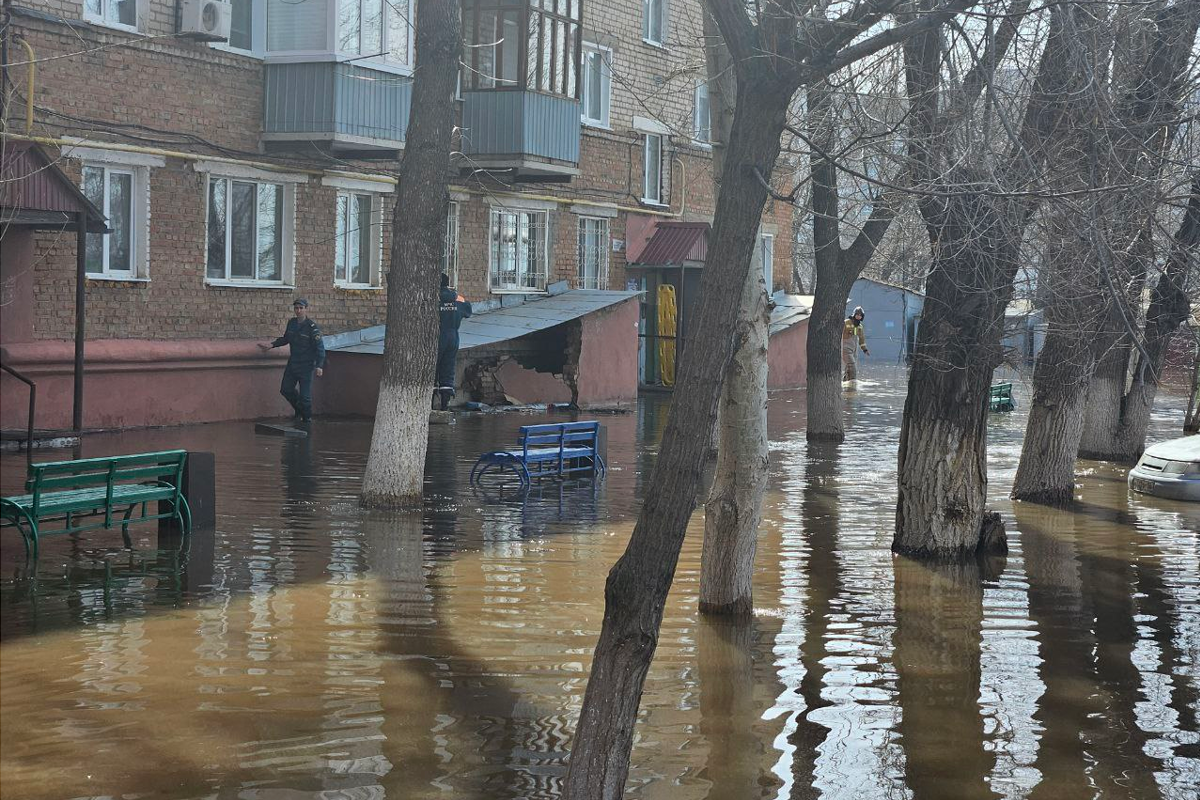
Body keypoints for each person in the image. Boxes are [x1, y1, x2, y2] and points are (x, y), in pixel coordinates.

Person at [260, 298, 325, 422]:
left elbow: (320, 348)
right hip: (293, 364)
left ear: (306, 309)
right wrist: (272, 345)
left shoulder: (312, 327)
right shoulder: (292, 323)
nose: (298, 311)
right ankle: (299, 410)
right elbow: (286, 339)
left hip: (306, 366)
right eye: (296, 308)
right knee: (286, 389)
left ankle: (307, 420)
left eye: (301, 308)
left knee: (305, 397)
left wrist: (319, 365)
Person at [436, 274, 473, 410]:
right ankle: (444, 406)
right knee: (448, 368)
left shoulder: (433, 298)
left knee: (433, 367)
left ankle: (430, 405)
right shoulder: (458, 298)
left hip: (437, 336)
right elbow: (468, 311)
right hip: (453, 336)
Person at [842, 306, 869, 381]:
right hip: (845, 349)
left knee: (848, 369)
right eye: (857, 314)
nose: (858, 316)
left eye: (860, 315)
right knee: (852, 367)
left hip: (854, 350)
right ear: (854, 314)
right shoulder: (846, 322)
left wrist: (865, 350)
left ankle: (845, 386)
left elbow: (861, 339)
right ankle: (852, 385)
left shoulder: (860, 327)